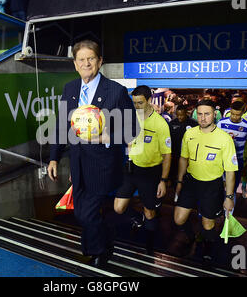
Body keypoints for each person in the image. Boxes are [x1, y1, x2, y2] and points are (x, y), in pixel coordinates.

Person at [47, 40, 139, 267]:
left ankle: (100, 251)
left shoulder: (116, 91)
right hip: (77, 162)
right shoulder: (69, 89)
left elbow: (133, 129)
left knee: (87, 214)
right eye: (81, 59)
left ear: (100, 61)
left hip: (103, 164)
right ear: (75, 65)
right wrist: (53, 157)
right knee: (80, 212)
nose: (86, 63)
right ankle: (99, 244)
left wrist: (108, 137)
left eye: (91, 58)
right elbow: (61, 125)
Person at [172, 99, 238, 261]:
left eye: (207, 114)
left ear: (214, 115)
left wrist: (229, 197)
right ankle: (192, 236)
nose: (203, 118)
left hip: (212, 186)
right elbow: (183, 159)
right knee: (178, 219)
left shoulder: (225, 138)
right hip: (191, 182)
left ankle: (208, 247)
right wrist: (179, 182)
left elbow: (230, 171)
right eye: (199, 114)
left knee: (208, 224)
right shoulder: (190, 134)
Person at [114, 85, 172, 254]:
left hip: (150, 173)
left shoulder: (161, 124)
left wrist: (163, 180)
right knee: (118, 208)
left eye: (140, 102)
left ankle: (149, 245)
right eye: (134, 103)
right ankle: (137, 218)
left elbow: (167, 155)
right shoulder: (131, 118)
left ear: (149, 100)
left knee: (150, 212)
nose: (137, 106)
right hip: (131, 169)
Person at [217, 101, 247, 198]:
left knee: (232, 189)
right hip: (220, 160)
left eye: (237, 115)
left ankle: (229, 212)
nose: (234, 117)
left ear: (243, 112)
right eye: (232, 114)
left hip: (237, 161)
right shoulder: (221, 123)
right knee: (218, 188)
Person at [168, 105, 198, 193]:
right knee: (174, 175)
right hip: (175, 154)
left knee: (185, 176)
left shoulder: (193, 124)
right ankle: (175, 194)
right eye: (178, 115)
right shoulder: (172, 123)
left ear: (186, 113)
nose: (180, 117)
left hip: (188, 156)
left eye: (182, 115)